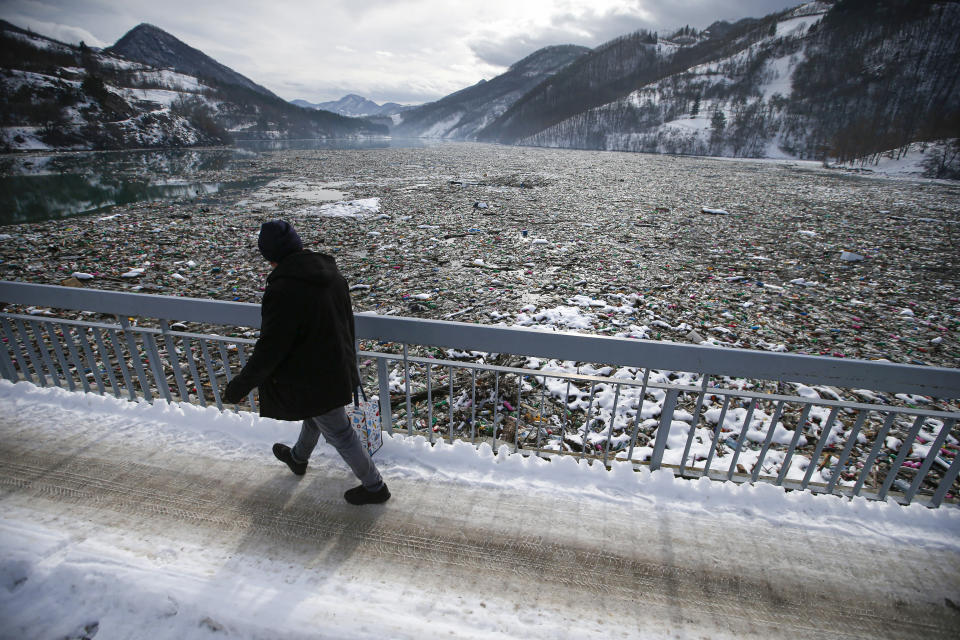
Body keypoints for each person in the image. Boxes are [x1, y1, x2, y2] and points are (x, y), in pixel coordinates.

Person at [223, 220, 390, 505]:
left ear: (270, 256)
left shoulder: (283, 289)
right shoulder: (332, 275)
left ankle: (375, 487)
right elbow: (345, 324)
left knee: (340, 431)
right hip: (337, 366)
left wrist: (240, 386)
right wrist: (350, 364)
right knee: (317, 416)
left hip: (312, 376)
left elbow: (270, 348)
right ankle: (298, 458)